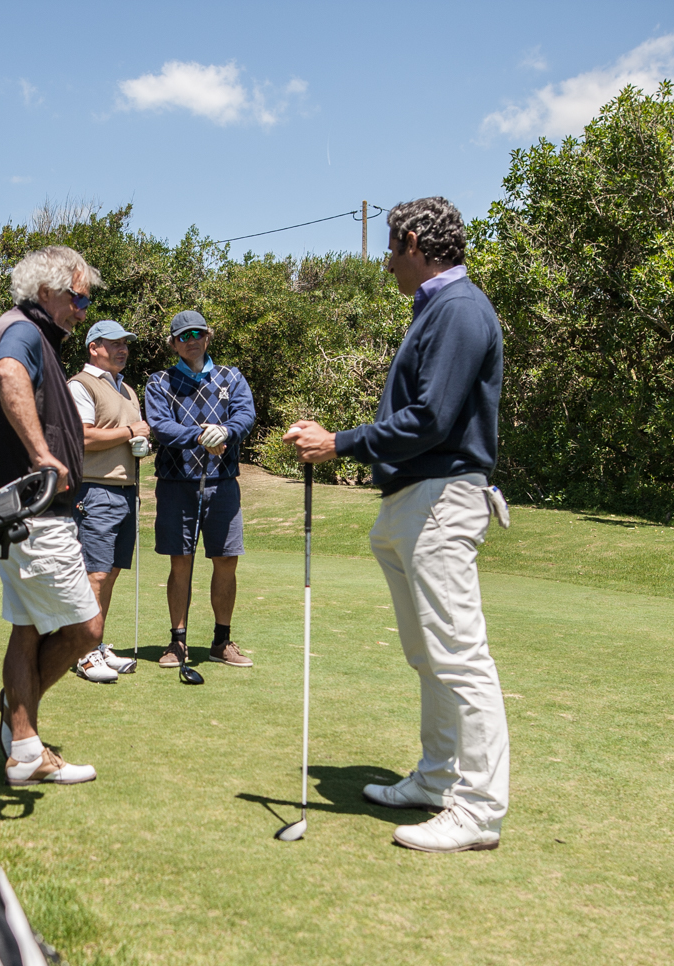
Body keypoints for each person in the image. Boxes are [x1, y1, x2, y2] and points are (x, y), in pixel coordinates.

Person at [284, 196, 511, 854]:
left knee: (459, 657)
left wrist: (340, 443)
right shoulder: (436, 308)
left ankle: (478, 809)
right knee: (429, 653)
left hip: (442, 498)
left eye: (390, 249)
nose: (386, 263)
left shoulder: (459, 308)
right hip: (413, 500)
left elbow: (432, 420)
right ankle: (438, 778)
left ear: (413, 241)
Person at [0, 246, 103, 785]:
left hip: (29, 509)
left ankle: (25, 748)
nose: (83, 310)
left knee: (27, 630)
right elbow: (9, 374)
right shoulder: (23, 331)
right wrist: (42, 453)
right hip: (35, 510)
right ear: (47, 292)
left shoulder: (31, 332)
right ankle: (17, 717)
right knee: (86, 629)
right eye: (79, 298)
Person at [143, 310, 256, 669]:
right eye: (183, 336)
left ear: (208, 337)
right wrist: (201, 435)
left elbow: (245, 415)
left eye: (197, 333)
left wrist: (227, 431)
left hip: (222, 484)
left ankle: (222, 641)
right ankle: (178, 642)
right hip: (177, 485)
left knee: (226, 560)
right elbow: (161, 426)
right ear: (174, 344)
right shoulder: (159, 382)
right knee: (181, 563)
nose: (191, 340)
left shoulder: (230, 377)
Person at [68, 319, 148, 683]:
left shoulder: (127, 389)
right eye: (115, 343)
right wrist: (130, 431)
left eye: (125, 343)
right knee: (95, 575)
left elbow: (125, 435)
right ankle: (81, 652)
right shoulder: (80, 385)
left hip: (126, 490)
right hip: (94, 490)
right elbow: (82, 437)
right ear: (93, 347)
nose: (123, 349)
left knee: (110, 573)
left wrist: (138, 442)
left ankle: (95, 643)